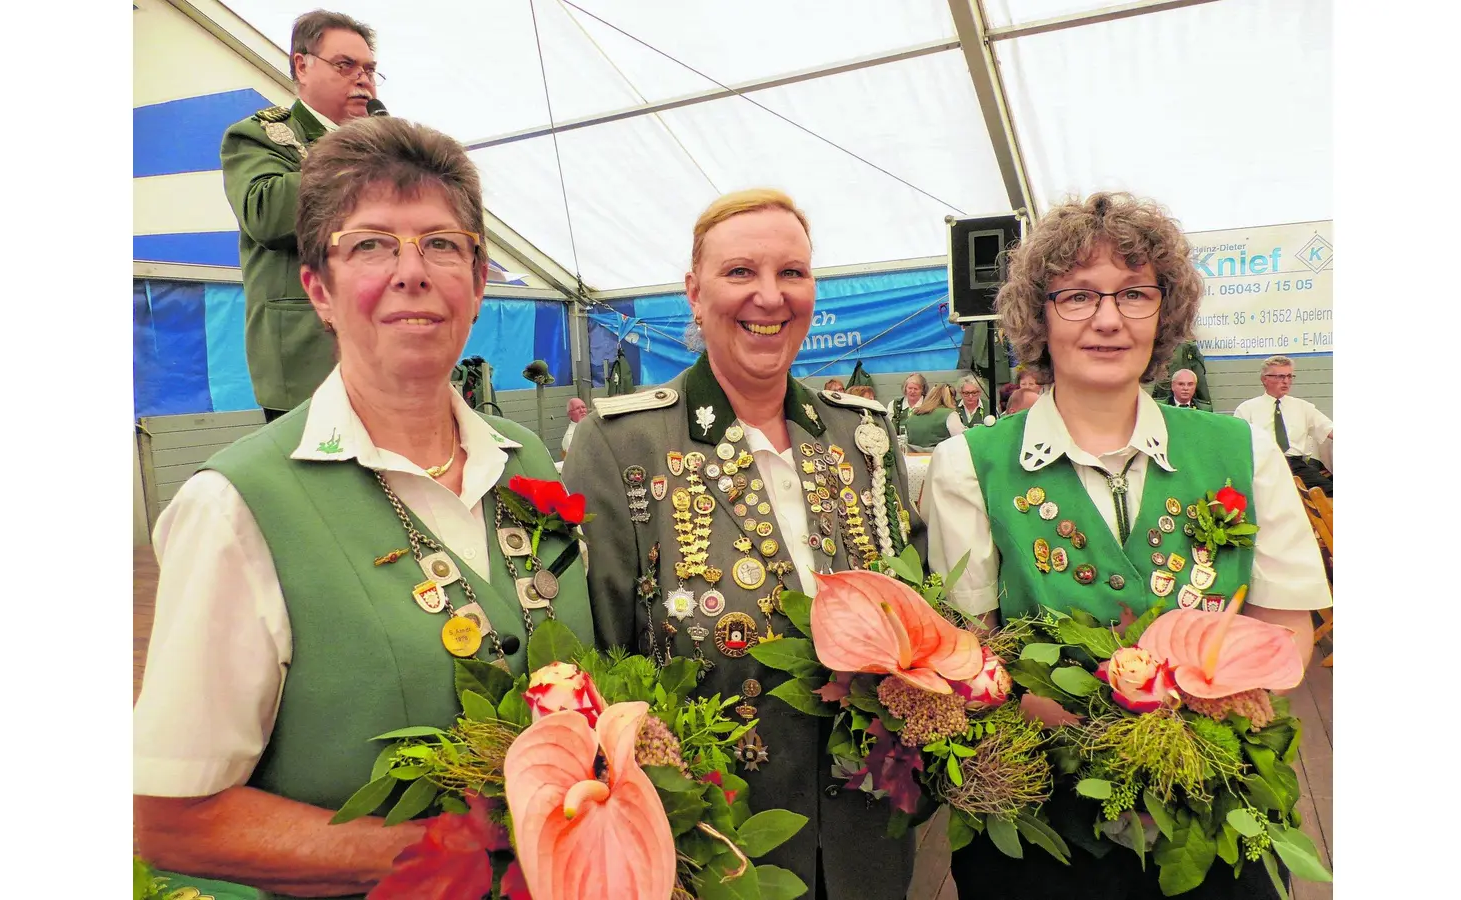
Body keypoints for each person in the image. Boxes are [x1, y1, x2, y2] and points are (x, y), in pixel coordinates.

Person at [135, 116, 597, 899]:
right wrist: (434, 852)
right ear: (319, 288)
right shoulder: (235, 505)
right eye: (372, 244)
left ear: (479, 283)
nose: (412, 272)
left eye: (442, 245)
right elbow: (167, 818)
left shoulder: (526, 457)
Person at [923, 192, 1329, 900]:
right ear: (1039, 315)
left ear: (1162, 312)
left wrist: (1196, 714)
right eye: (1077, 296)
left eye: (1134, 293)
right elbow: (969, 650)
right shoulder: (971, 465)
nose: (1108, 319)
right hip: (1044, 829)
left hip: (1212, 817)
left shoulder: (1242, 450)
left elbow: (1286, 629)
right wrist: (1091, 726)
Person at [564, 188, 924, 900]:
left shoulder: (863, 434)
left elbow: (918, 611)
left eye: (792, 273)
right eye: (740, 274)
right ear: (694, 295)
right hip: (712, 846)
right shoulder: (620, 444)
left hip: (871, 836)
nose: (770, 296)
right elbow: (598, 660)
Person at [223, 9, 381, 421]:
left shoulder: (384, 144)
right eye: (346, 65)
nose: (363, 78)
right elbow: (266, 213)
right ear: (302, 64)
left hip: (383, 351)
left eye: (369, 68)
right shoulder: (262, 135)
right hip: (307, 360)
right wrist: (356, 157)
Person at [1234, 355, 1333, 495]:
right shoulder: (1246, 409)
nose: (1286, 381)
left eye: (1289, 376)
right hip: (1263, 465)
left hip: (1295, 465)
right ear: (1264, 379)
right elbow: (1237, 444)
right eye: (1279, 377)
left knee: (1331, 493)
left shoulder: (1303, 407)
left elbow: (1329, 429)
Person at [903, 382, 959, 451]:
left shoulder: (913, 415)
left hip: (913, 459)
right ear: (952, 398)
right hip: (940, 458)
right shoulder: (950, 414)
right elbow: (961, 440)